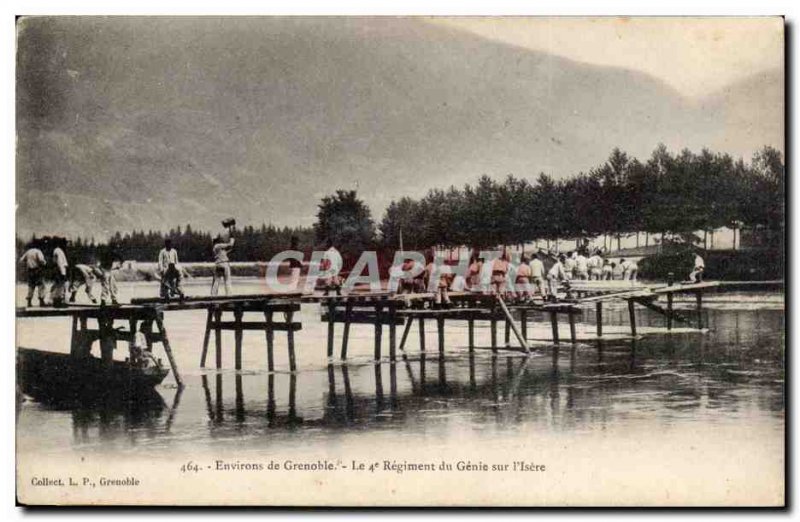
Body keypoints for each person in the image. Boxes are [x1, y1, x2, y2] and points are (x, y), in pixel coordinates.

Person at [19, 239, 47, 307]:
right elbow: (41, 260)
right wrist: (44, 264)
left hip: (30, 271)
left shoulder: (28, 251)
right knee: (41, 286)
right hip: (37, 270)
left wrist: (27, 264)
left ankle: (29, 301)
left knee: (31, 286)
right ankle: (41, 301)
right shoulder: (38, 251)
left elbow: (21, 260)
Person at [50, 237, 69, 307]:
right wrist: (63, 273)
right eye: (65, 243)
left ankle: (56, 301)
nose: (66, 245)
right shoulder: (59, 251)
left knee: (58, 286)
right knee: (60, 286)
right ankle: (57, 302)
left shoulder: (58, 250)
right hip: (60, 270)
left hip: (59, 270)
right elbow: (60, 262)